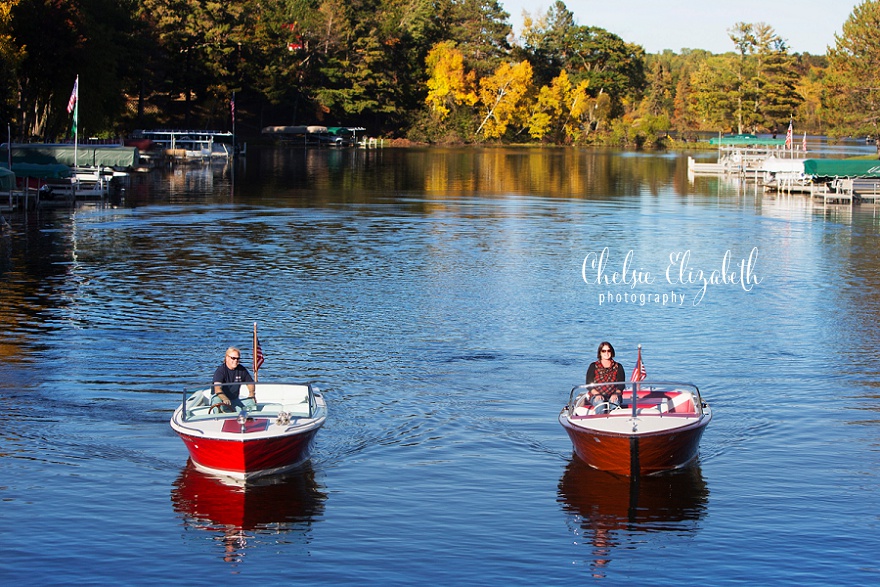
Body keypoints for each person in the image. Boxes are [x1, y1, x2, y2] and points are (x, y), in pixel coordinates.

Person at [212, 347, 256, 411]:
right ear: (227, 358)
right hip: (220, 397)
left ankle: (249, 418)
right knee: (217, 400)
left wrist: (251, 393)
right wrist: (225, 398)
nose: (235, 360)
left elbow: (250, 383)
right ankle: (217, 418)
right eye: (233, 358)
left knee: (251, 402)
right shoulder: (220, 371)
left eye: (238, 358)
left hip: (233, 399)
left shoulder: (242, 370)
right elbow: (217, 389)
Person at [585, 342, 626, 409]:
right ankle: (600, 418)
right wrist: (597, 394)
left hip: (614, 394)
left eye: (608, 350)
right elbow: (589, 384)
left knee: (614, 403)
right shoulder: (593, 366)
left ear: (612, 352)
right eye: (603, 351)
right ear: (600, 353)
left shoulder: (618, 366)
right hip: (596, 394)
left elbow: (621, 385)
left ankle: (614, 418)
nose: (606, 353)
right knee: (600, 403)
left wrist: (615, 394)